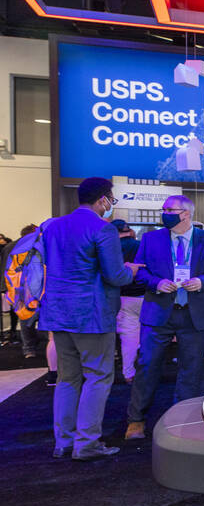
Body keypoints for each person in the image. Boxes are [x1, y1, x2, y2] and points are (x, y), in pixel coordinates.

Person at [39, 177, 139, 460]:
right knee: (98, 376)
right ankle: (87, 443)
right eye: (111, 199)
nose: (110, 205)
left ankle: (64, 442)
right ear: (103, 199)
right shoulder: (103, 229)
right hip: (91, 315)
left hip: (58, 313)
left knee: (67, 379)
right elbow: (115, 276)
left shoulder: (53, 226)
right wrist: (130, 269)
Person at [125, 195, 204, 440]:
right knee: (147, 366)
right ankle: (136, 419)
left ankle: (179, 420)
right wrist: (157, 283)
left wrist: (202, 281)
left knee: (191, 370)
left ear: (186, 214)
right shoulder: (150, 239)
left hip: (195, 315)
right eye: (164, 209)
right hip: (158, 314)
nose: (164, 213)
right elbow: (140, 273)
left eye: (169, 209)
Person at [112, 220, 142, 382]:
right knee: (150, 335)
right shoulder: (140, 246)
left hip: (122, 298)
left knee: (128, 337)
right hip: (146, 296)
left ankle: (128, 372)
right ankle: (148, 369)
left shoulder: (110, 249)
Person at [13, 224, 41, 359]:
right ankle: (30, 348)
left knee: (26, 322)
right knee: (27, 321)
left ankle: (30, 349)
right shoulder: (36, 250)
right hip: (28, 291)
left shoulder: (15, 249)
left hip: (25, 291)